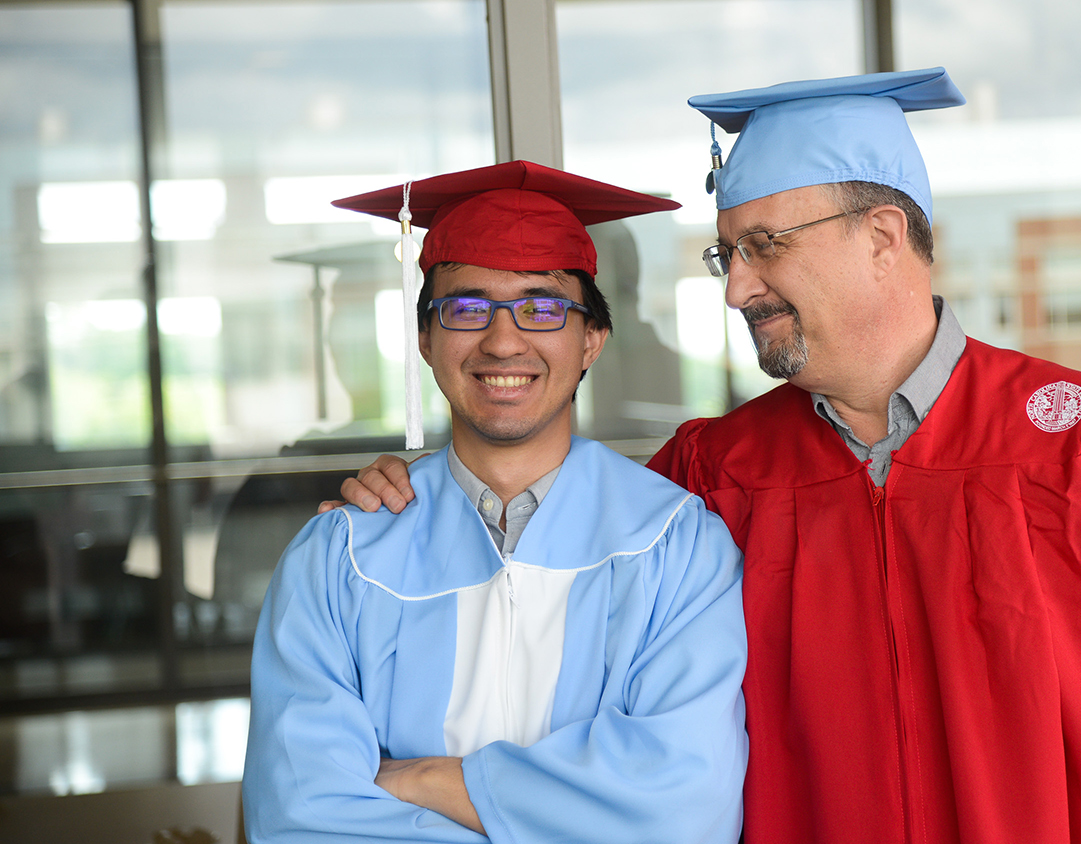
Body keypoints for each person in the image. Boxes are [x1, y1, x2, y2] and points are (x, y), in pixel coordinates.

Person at [333, 70, 1081, 844]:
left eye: (763, 246)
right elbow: (540, 623)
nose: (736, 287)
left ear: (883, 237)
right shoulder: (709, 475)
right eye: (727, 256)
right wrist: (423, 497)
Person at [244, 160, 748, 844]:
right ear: (425, 339)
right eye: (466, 307)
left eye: (542, 307)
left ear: (591, 341)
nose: (503, 340)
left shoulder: (676, 546)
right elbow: (300, 815)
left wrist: (415, 778)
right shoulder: (342, 557)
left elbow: (682, 808)